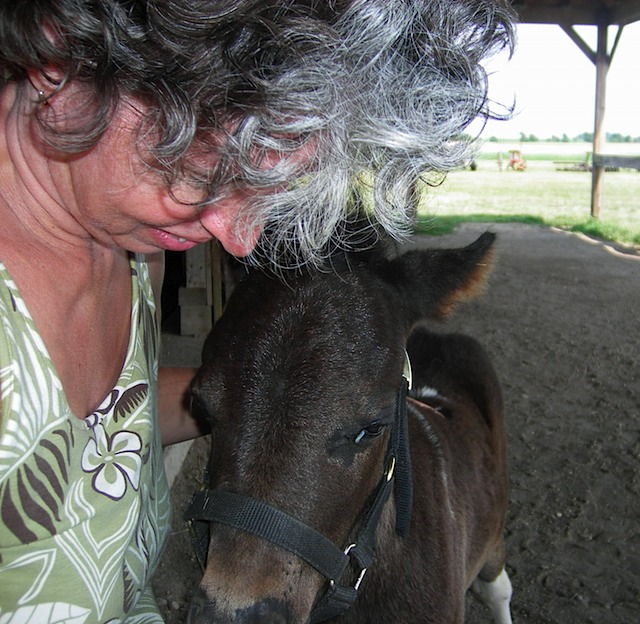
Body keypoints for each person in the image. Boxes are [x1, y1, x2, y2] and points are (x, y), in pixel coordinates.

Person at [0, 0, 515, 621]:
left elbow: (102, 422)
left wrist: (273, 400)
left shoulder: (131, 250)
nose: (239, 238)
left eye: (266, 179)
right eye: (215, 158)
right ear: (63, 56)